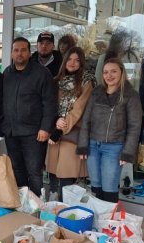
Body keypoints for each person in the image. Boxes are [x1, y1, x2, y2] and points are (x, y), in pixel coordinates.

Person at [77, 58, 142, 203]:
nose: (109, 75)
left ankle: (108, 221)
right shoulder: (97, 92)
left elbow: (135, 126)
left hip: (114, 147)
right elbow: (86, 120)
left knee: (109, 187)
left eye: (113, 71)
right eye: (105, 72)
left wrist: (127, 152)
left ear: (122, 72)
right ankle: (97, 219)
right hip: (93, 145)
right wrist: (83, 146)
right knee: (96, 185)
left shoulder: (130, 95)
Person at [1, 37, 57, 197]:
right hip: (12, 132)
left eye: (23, 50)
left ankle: (36, 206)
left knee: (34, 172)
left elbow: (50, 103)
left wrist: (45, 128)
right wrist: (2, 124)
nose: (19, 53)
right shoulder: (7, 73)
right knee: (17, 170)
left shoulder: (41, 73)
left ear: (29, 52)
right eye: (16, 50)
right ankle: (24, 203)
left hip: (33, 133)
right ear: (12, 53)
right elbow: (3, 100)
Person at [46, 47, 96, 201]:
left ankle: (66, 210)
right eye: (69, 59)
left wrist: (61, 128)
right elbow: (49, 104)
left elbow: (78, 109)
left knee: (67, 175)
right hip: (55, 133)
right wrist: (55, 121)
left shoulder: (87, 82)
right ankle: (55, 207)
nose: (72, 63)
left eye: (77, 60)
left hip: (72, 134)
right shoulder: (57, 80)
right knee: (53, 172)